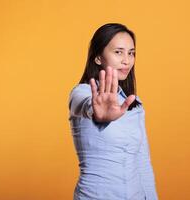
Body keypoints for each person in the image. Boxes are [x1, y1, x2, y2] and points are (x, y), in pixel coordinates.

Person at [68, 23, 158, 200]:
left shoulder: (134, 104)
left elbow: (142, 162)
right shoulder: (81, 93)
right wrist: (96, 111)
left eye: (131, 53)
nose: (127, 60)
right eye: (118, 52)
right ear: (98, 58)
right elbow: (84, 105)